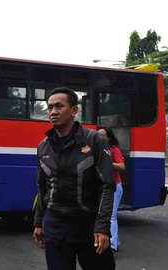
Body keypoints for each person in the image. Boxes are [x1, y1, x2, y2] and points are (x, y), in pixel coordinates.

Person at [32, 87, 116, 269]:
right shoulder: (43, 146)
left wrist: (102, 227)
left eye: (59, 106)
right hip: (55, 227)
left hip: (88, 227)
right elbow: (42, 186)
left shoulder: (94, 140)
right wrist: (39, 222)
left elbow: (106, 186)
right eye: (50, 107)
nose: (53, 112)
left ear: (74, 111)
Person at [98, 127, 125, 253]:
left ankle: (112, 245)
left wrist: (108, 162)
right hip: (103, 186)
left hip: (115, 186)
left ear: (108, 138)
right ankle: (116, 242)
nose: (100, 137)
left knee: (111, 215)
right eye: (98, 135)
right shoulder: (97, 149)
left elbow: (121, 166)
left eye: (103, 135)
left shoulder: (114, 150)